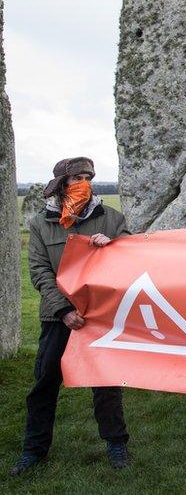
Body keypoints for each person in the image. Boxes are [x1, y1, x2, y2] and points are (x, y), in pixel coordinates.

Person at [10, 157, 132, 475]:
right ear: (62, 182)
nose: (84, 182)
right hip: (57, 317)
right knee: (45, 383)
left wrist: (115, 246)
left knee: (106, 384)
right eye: (77, 177)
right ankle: (34, 450)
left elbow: (133, 257)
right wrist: (64, 310)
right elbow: (39, 271)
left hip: (100, 315)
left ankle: (117, 445)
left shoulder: (111, 218)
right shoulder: (40, 224)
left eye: (89, 176)